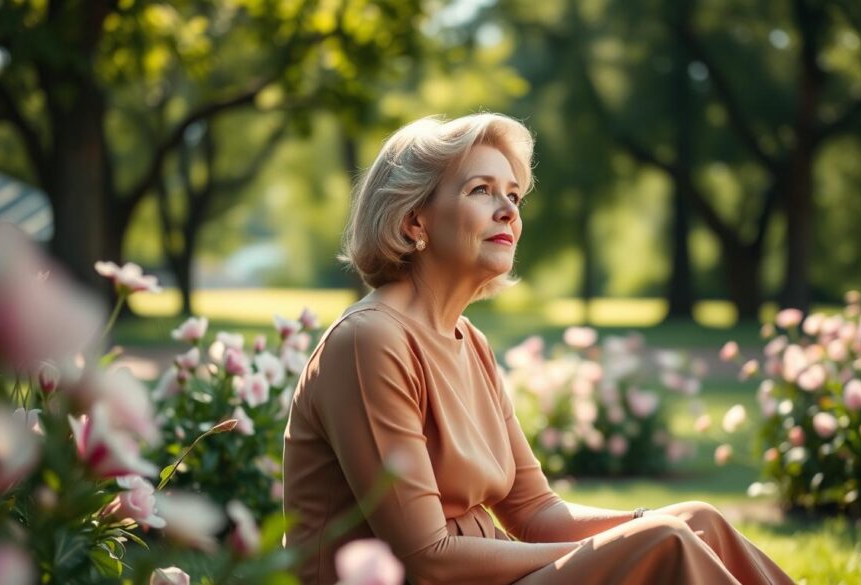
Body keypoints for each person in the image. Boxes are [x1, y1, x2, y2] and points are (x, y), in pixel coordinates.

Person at [282, 113, 795, 585]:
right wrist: (617, 545)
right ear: (415, 221)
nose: (508, 211)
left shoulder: (470, 343)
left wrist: (643, 521)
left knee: (695, 519)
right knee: (663, 542)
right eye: (482, 191)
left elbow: (534, 512)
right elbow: (428, 557)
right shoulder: (369, 341)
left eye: (514, 196)